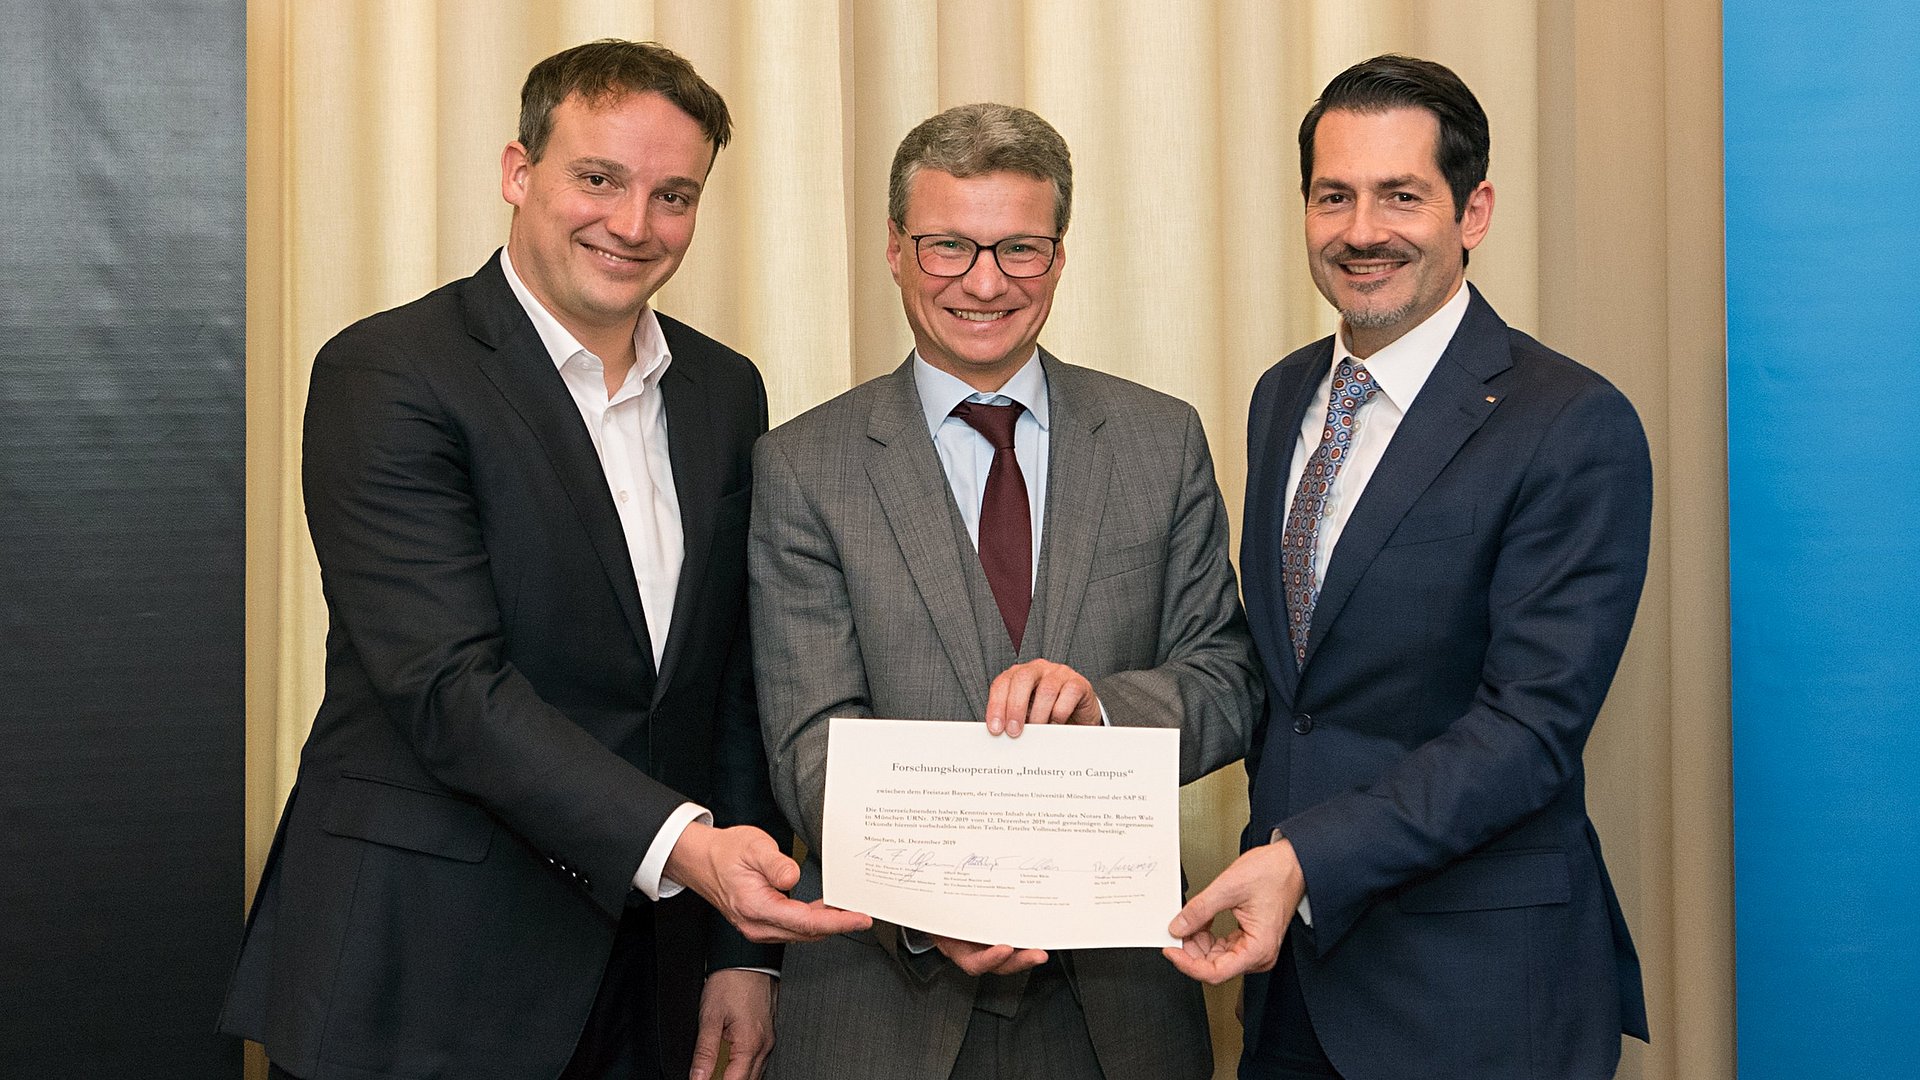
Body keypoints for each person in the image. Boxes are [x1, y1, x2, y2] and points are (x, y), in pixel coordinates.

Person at [218, 40, 868, 1080]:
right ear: (519, 173)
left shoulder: (722, 389)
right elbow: (446, 686)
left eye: (674, 194)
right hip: (424, 967)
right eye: (599, 178)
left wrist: (745, 953)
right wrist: (688, 851)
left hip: (650, 975)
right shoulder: (388, 374)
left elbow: (732, 684)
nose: (633, 224)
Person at [1165, 55, 1653, 1079]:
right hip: (1289, 980)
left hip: (1475, 990)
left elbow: (1531, 728)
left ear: (1473, 211)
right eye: (1333, 195)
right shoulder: (1282, 394)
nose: (1361, 230)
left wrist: (1307, 859)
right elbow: (1286, 684)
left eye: (1401, 195)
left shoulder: (1569, 422)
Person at [749, 103, 1260, 1080]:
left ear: (1060, 257)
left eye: (1019, 248)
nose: (985, 282)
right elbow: (809, 742)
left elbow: (1229, 680)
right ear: (895, 250)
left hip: (1118, 1008)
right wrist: (934, 897)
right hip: (883, 1002)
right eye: (948, 246)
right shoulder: (803, 465)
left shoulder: (1161, 441)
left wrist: (1105, 708)